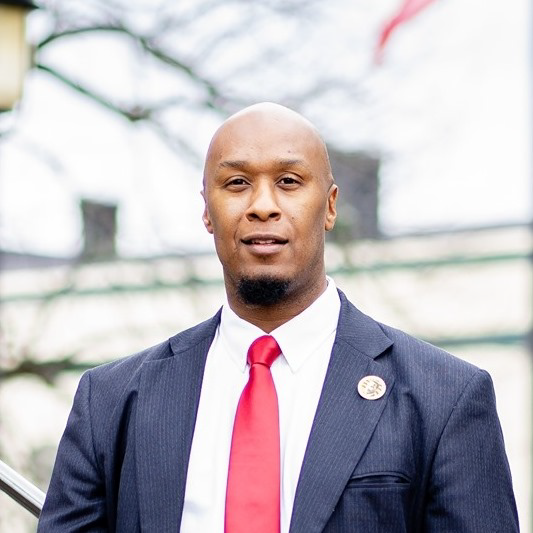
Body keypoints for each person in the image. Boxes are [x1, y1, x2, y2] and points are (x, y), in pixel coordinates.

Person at [38, 103, 519, 532]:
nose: (262, 206)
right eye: (237, 183)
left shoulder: (446, 398)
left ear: (329, 206)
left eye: (289, 182)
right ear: (207, 210)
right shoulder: (112, 401)